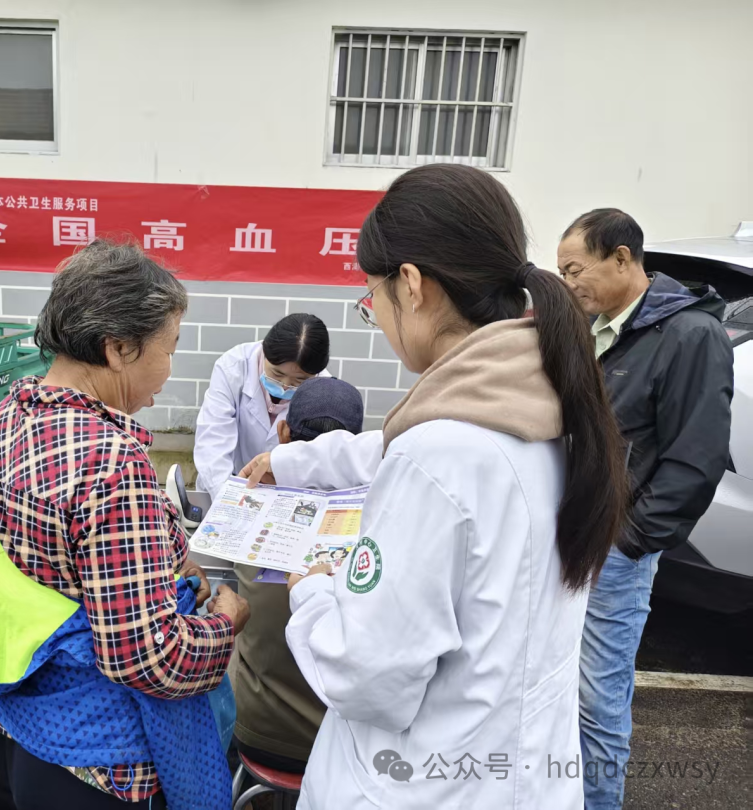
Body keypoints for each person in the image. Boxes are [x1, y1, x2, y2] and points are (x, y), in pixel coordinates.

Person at [244, 164, 628, 809]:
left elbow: (369, 677)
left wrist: (312, 589)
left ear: (413, 286)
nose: (380, 319)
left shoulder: (440, 453)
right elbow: (387, 448)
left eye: (374, 300)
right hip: (522, 778)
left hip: (424, 784)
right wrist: (296, 465)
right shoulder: (555, 410)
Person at [0, 238, 250, 810]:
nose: (168, 370)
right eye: (169, 348)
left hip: (8, 719)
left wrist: (168, 545)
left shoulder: (2, 418)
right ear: (119, 348)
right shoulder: (111, 461)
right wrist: (226, 623)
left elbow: (32, 552)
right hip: (100, 763)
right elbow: (149, 658)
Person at [557, 209, 734, 809]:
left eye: (575, 269)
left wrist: (628, 541)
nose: (570, 283)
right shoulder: (607, 327)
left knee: (599, 701)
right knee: (568, 691)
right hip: (579, 539)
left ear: (622, 258)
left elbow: (696, 458)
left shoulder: (689, 335)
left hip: (615, 549)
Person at [230, 376, 364, 775]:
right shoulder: (378, 531)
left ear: (283, 431)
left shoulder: (252, 517)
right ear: (354, 442)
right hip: (340, 742)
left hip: (254, 730)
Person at [194, 313, 330, 495]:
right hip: (230, 480)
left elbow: (317, 459)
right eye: (277, 374)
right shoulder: (233, 367)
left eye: (299, 380)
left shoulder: (325, 391)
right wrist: (226, 497)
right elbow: (213, 439)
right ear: (264, 352)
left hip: (285, 492)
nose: (284, 386)